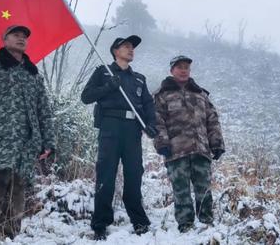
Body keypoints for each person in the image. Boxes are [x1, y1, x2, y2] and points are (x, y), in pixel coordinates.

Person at [0, 25, 55, 241]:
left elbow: (44, 109)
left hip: (25, 146)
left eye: (24, 36)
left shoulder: (32, 73)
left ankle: (8, 237)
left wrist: (48, 142)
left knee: (16, 200)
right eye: (16, 35)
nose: (21, 38)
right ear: (4, 39)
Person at [81, 35, 158, 240]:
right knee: (106, 174)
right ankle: (100, 224)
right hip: (110, 128)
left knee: (134, 174)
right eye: (126, 46)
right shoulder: (103, 72)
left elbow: (149, 105)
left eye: (132, 47)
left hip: (133, 130)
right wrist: (108, 87)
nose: (131, 49)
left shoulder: (139, 78)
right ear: (115, 51)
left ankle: (139, 221)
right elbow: (86, 97)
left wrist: (151, 125)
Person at [153, 55, 225, 233]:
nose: (183, 70)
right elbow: (156, 121)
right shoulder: (162, 95)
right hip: (175, 152)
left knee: (204, 189)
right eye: (179, 67)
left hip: (201, 150)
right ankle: (185, 225)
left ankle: (206, 223)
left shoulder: (201, 94)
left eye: (186, 67)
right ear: (172, 71)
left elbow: (212, 120)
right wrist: (162, 143)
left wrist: (216, 143)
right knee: (181, 190)